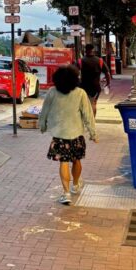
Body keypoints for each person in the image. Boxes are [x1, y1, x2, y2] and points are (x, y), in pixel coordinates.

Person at [39, 63, 97, 204]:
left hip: (59, 135)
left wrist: (43, 126)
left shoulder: (52, 92)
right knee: (76, 160)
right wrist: (93, 133)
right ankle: (75, 185)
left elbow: (44, 111)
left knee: (63, 162)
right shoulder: (80, 93)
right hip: (76, 134)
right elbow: (88, 114)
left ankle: (66, 194)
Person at [78, 43, 111, 117]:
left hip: (84, 86)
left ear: (85, 50)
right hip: (96, 87)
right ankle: (92, 120)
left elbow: (74, 72)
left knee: (84, 104)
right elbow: (107, 73)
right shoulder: (100, 61)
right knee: (94, 103)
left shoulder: (80, 61)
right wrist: (108, 83)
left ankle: (85, 119)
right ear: (93, 50)